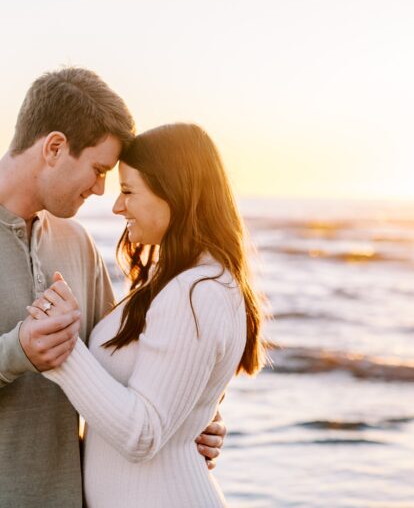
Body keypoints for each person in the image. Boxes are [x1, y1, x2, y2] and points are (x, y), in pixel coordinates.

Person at [0, 68, 224, 507]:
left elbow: (119, 365)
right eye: (97, 170)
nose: (100, 190)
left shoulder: (78, 244)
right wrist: (12, 354)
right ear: (55, 147)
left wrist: (188, 414)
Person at [26, 123, 265, 508]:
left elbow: (142, 433)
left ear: (174, 194)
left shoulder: (197, 291)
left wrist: (64, 349)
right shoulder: (181, 282)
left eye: (127, 192)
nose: (118, 206)